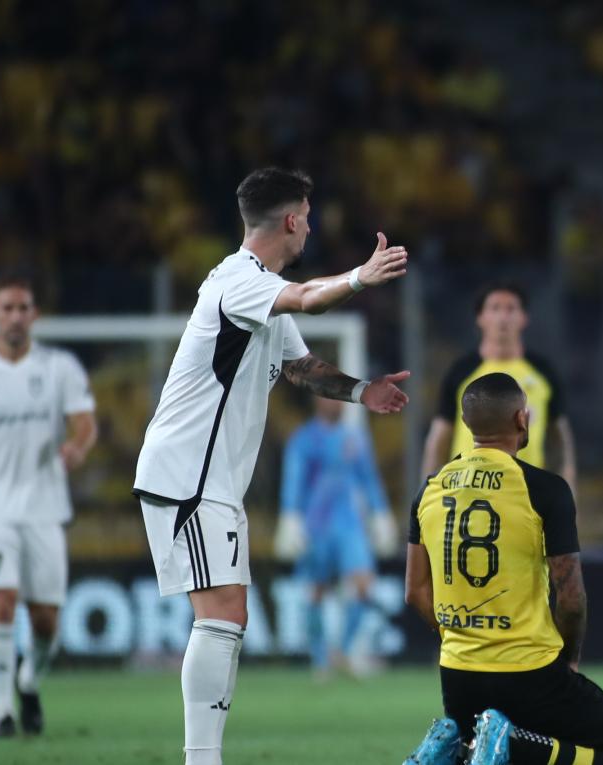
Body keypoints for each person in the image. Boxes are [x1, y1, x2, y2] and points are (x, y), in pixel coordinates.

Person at [132, 167, 411, 765]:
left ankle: (203, 755)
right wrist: (359, 277)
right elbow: (310, 299)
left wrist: (362, 390)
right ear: (290, 220)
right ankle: (200, 759)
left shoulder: (262, 294)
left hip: (208, 478)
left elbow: (302, 369)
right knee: (221, 616)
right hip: (189, 472)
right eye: (306, 217)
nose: (309, 227)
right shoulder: (240, 280)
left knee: (228, 617)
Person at [402, 373, 603, 765]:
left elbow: (415, 591)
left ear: (466, 423)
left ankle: (458, 750)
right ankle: (514, 745)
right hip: (531, 672)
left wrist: (461, 636)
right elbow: (571, 597)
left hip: (458, 676)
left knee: (485, 751)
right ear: (522, 419)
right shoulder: (544, 490)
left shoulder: (429, 489)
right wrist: (568, 661)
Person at [0, 275, 99, 738]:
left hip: (45, 507)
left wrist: (77, 447)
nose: (14, 316)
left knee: (46, 620)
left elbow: (85, 422)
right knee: (1, 602)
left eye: (22, 307)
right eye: (6, 308)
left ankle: (28, 681)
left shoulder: (59, 368)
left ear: (35, 315)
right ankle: (3, 714)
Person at [274, 395, 399, 679]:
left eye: (339, 400)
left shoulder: (354, 437)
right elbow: (294, 479)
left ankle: (342, 650)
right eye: (330, 399)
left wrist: (380, 513)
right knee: (316, 591)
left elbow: (368, 478)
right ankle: (320, 660)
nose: (337, 404)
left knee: (365, 585)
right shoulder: (304, 439)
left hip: (350, 524)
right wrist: (290, 515)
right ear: (317, 402)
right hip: (315, 525)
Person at [421, 283, 577, 490]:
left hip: (525, 492)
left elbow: (560, 440)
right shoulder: (461, 371)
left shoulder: (543, 372)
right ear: (480, 318)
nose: (503, 317)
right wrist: (428, 490)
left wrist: (567, 491)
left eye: (511, 309)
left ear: (524, 318)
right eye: (495, 308)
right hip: (468, 490)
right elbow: (439, 439)